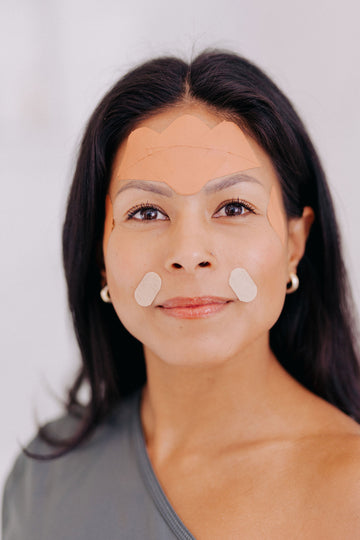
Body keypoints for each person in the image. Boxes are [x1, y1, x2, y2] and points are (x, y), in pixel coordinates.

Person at [3, 49, 360, 539]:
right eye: (146, 213)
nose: (189, 254)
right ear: (101, 254)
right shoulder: (43, 478)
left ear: (296, 243)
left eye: (234, 207)